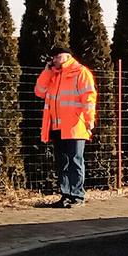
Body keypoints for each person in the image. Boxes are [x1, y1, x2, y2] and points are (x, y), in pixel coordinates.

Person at [35, 44, 97, 208]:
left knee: (75, 161)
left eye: (56, 57)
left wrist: (90, 119)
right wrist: (47, 70)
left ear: (66, 56)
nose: (53, 60)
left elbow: (89, 97)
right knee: (62, 163)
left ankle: (77, 196)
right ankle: (66, 195)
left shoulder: (80, 72)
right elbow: (39, 91)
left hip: (76, 126)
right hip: (57, 127)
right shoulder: (54, 75)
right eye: (52, 58)